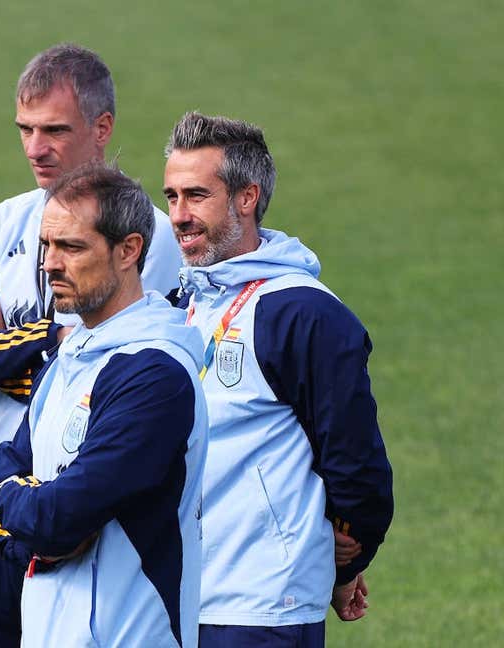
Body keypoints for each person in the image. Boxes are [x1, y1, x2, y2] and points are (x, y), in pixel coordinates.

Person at [0, 43, 182, 647]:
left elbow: (125, 376)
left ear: (102, 128)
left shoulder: (148, 236)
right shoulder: (3, 225)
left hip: (101, 512)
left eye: (54, 130)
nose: (35, 148)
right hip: (0, 497)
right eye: (26, 129)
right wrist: (49, 339)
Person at [161, 111, 394, 646]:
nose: (178, 215)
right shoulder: (182, 303)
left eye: (196, 195)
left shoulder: (305, 315)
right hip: (173, 598)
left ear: (247, 197)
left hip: (262, 608)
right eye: (171, 196)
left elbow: (358, 470)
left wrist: (341, 563)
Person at [0, 163, 207, 648]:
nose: (49, 264)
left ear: (129, 250)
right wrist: (34, 523)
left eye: (71, 247)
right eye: (47, 245)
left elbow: (61, 515)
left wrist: (34, 515)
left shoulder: (154, 374)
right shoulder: (65, 361)